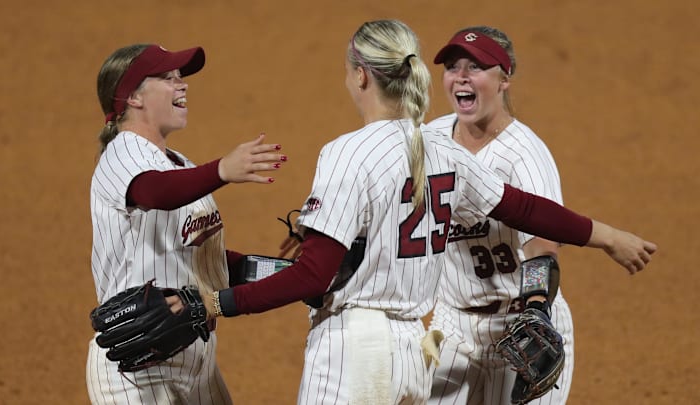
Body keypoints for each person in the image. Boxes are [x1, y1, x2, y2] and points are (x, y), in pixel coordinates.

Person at [157, 19, 652, 404]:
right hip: (417, 352)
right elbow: (524, 208)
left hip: (358, 353)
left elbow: (313, 276)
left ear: (360, 75)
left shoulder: (349, 151)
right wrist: (607, 235)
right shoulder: (442, 148)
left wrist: (216, 303)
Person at [86, 43, 286, 404]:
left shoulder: (180, 165)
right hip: (137, 371)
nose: (182, 84)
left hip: (197, 362)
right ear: (133, 97)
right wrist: (222, 170)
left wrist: (290, 272)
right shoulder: (122, 152)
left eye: (181, 76)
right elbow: (154, 192)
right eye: (167, 77)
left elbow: (206, 261)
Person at [426, 26, 578, 404]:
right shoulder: (430, 141)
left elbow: (543, 243)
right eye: (453, 66)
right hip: (454, 326)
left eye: (476, 67)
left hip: (521, 328)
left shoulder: (524, 154)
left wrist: (537, 310)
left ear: (504, 78)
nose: (461, 76)